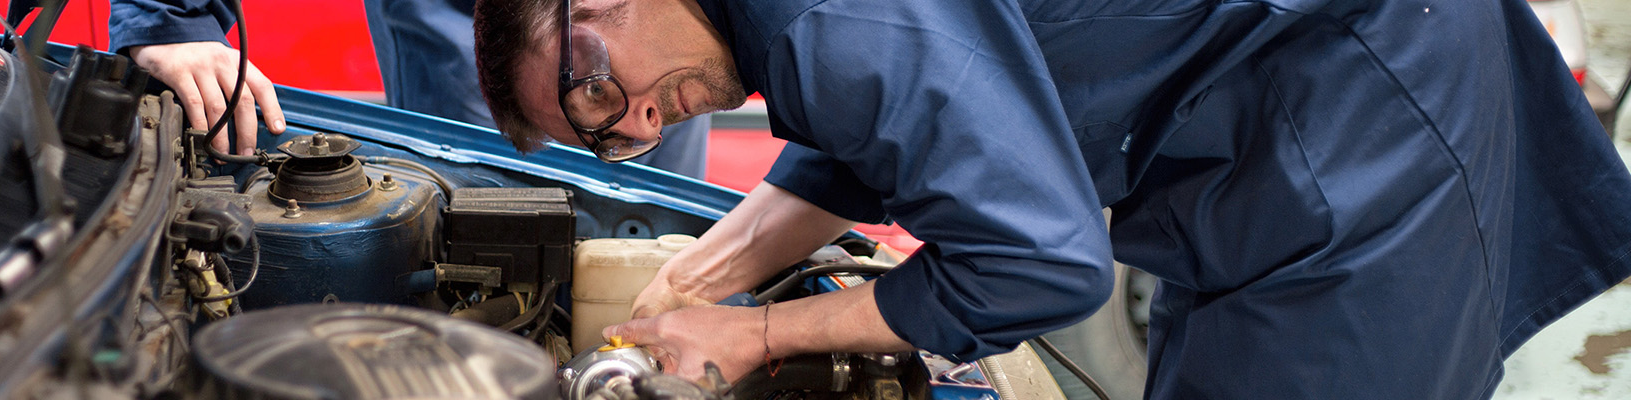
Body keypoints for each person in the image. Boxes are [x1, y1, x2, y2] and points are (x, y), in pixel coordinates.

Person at [470, 0, 1631, 398]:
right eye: (601, 136)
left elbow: (1045, 267)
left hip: (1363, 126)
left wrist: (761, 332)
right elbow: (886, 126)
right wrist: (700, 275)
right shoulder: (785, 22)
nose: (633, 124)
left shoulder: (830, 25)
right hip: (1277, 119)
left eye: (592, 85)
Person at [106, 0, 710, 178]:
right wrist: (172, 19)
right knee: (482, 197)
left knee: (659, 208)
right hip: (462, 17)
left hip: (644, 19)